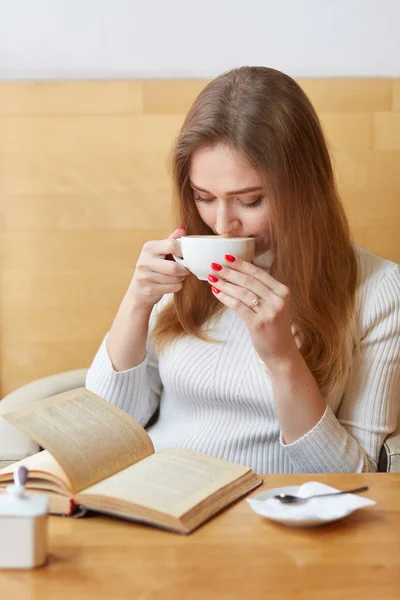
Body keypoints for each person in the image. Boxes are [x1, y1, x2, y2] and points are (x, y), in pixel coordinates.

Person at [86, 66, 400, 474]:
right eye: (203, 196)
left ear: (303, 190)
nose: (221, 224)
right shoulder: (186, 271)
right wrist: (136, 302)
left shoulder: (379, 291)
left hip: (276, 521)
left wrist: (283, 358)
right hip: (161, 503)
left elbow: (358, 480)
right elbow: (106, 433)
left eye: (249, 201)